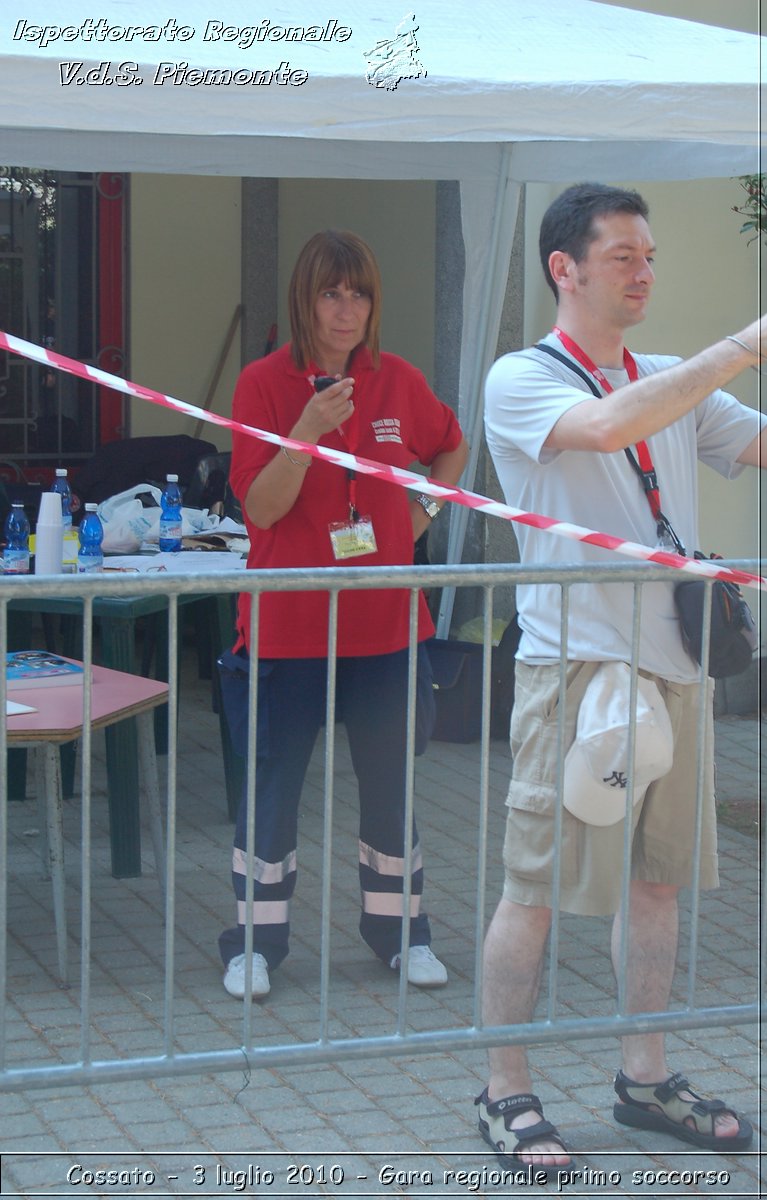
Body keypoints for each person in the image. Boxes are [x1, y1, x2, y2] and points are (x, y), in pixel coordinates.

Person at [478, 182, 767, 1171]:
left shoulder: (670, 376)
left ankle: (645, 1078)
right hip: (573, 672)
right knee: (534, 888)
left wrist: (743, 381)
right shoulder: (519, 379)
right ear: (562, 269)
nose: (646, 272)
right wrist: (742, 346)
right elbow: (610, 426)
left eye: (651, 256)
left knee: (657, 888)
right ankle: (504, 1092)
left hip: (677, 670)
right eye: (624, 257)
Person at [217, 229, 468, 1000]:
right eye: (332, 292)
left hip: (386, 627)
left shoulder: (397, 379)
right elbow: (259, 508)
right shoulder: (263, 383)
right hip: (288, 630)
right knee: (272, 790)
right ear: (305, 299)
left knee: (390, 788)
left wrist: (421, 515)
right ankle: (253, 946)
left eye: (359, 292)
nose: (347, 308)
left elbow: (452, 448)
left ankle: (403, 936)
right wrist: (304, 435)